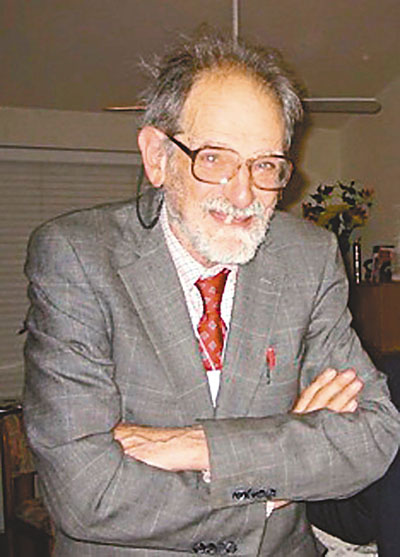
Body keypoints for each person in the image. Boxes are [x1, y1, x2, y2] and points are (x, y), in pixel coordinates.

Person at [23, 32, 400, 556]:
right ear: (157, 156)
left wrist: (196, 447)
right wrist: (274, 478)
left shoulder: (307, 257)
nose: (243, 194)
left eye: (265, 165)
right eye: (215, 158)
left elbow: (374, 435)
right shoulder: (77, 257)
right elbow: (85, 492)